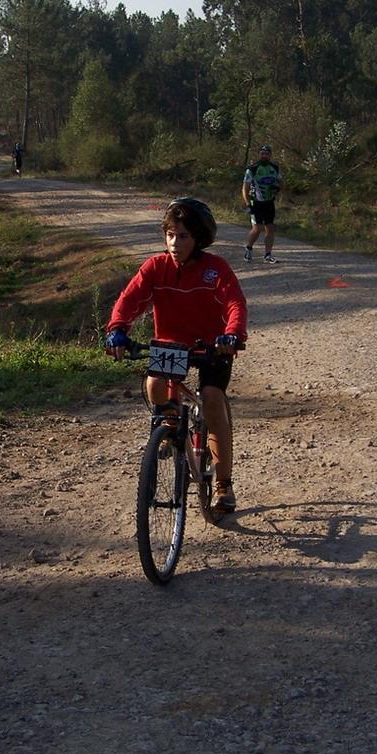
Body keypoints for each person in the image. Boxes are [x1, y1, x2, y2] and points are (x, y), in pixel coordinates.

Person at [104, 197, 248, 516]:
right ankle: (171, 428)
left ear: (198, 239)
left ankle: (223, 484)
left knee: (211, 398)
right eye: (170, 235)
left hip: (213, 347)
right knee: (154, 385)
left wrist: (233, 334)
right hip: (171, 347)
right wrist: (117, 329)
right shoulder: (155, 267)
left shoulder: (215, 269)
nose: (174, 243)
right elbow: (129, 300)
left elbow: (234, 304)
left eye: (183, 236)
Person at [242, 144, 283, 264]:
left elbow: (281, 183)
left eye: (267, 154)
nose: (264, 156)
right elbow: (245, 188)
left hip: (269, 202)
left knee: (270, 228)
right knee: (258, 228)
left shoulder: (275, 167)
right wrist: (247, 203)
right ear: (259, 155)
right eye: (262, 153)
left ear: (270, 155)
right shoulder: (252, 169)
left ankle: (268, 254)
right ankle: (249, 248)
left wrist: (278, 188)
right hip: (256, 202)